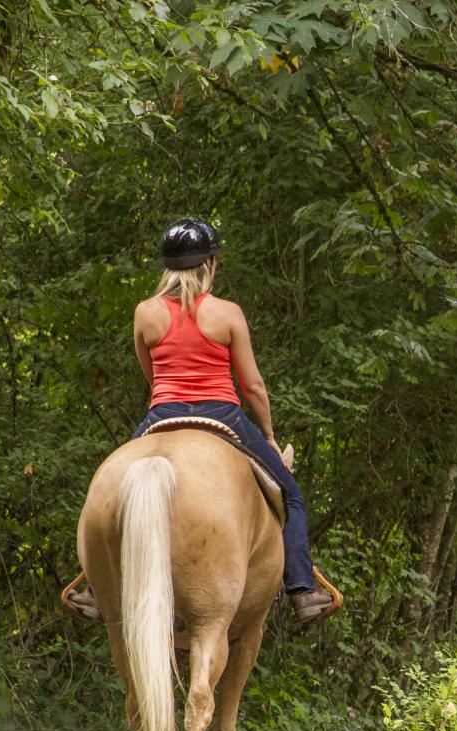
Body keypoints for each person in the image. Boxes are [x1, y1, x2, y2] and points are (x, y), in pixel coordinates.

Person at [66, 218, 336, 623]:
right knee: (291, 494)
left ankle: (95, 588)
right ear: (210, 264)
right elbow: (253, 387)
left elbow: (152, 376)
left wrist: (170, 400)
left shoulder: (145, 314)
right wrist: (268, 434)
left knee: (110, 492)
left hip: (163, 413)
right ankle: (301, 589)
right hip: (222, 414)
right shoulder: (227, 314)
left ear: (167, 267)